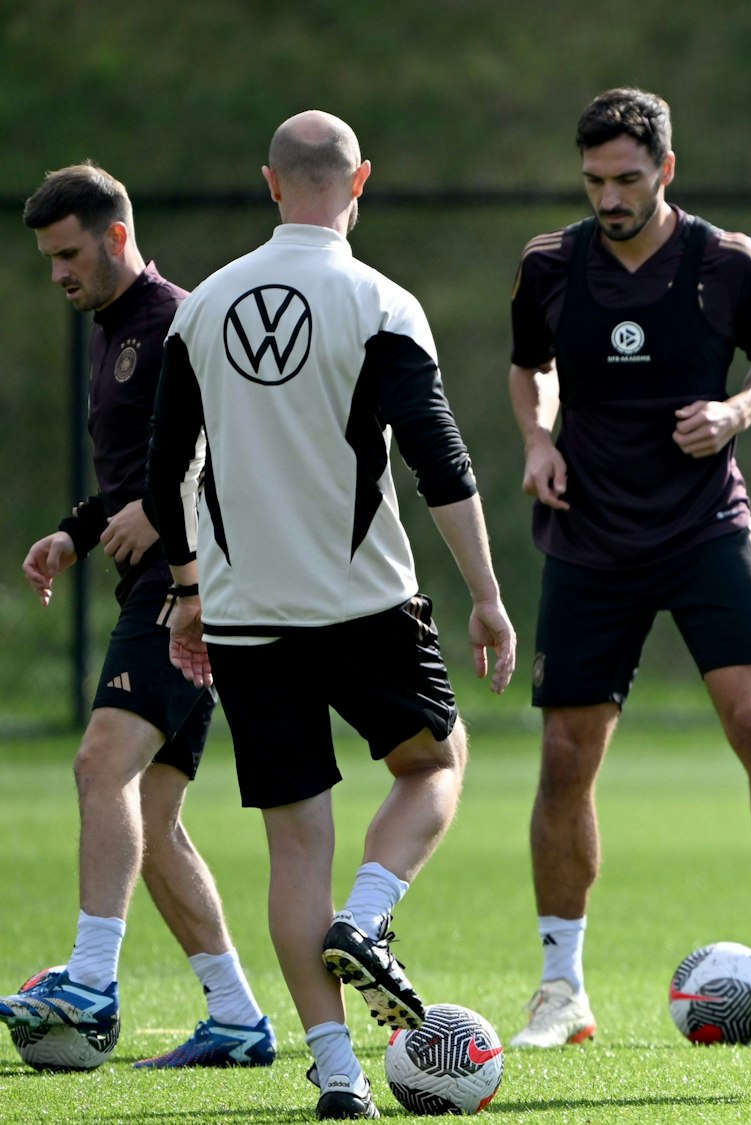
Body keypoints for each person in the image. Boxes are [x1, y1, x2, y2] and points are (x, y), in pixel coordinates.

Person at [144, 111, 516, 1120]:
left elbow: (164, 471)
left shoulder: (201, 308)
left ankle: (339, 1069)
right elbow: (439, 460)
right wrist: (486, 596)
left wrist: (189, 592)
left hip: (246, 617)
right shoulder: (381, 302)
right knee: (435, 762)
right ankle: (369, 915)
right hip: (364, 604)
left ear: (272, 184)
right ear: (361, 183)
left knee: (294, 843)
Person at [504, 87, 751, 1048]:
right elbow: (530, 363)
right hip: (590, 537)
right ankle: (560, 988)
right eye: (594, 181)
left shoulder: (725, 260)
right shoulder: (549, 263)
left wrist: (735, 412)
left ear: (666, 171)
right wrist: (537, 438)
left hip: (704, 529)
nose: (610, 198)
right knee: (567, 754)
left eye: (628, 179)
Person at [2, 164, 276, 1069]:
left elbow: (240, 446)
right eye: (48, 259)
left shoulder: (181, 321)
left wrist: (161, 518)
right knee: (151, 818)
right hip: (158, 582)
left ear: (116, 236)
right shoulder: (111, 331)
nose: (57, 274)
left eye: (68, 255)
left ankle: (88, 980)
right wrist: (75, 533)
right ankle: (237, 1017)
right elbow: (134, 471)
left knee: (98, 763)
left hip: (188, 586)